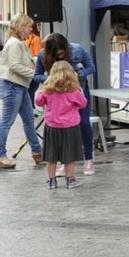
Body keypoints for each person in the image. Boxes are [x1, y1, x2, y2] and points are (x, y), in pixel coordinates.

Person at [34, 34, 96, 176]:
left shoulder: (77, 50)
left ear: (66, 47)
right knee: (61, 129)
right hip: (55, 95)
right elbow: (36, 76)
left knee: (84, 124)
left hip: (75, 90)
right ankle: (64, 162)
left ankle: (88, 159)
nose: (60, 56)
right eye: (56, 54)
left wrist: (78, 74)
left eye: (62, 53)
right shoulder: (42, 55)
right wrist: (51, 79)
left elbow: (91, 67)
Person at [35, 61, 87, 189]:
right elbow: (83, 104)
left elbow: (38, 102)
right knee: (69, 155)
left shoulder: (48, 91)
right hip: (70, 127)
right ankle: (70, 180)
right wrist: (80, 90)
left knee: (51, 156)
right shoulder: (74, 91)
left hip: (51, 127)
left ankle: (52, 181)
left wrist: (44, 87)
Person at [0, 14, 43, 169]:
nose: (30, 29)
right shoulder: (15, 44)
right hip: (12, 85)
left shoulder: (18, 43)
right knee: (6, 122)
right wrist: (36, 75)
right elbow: (14, 65)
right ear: (20, 27)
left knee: (29, 119)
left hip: (18, 85)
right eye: (28, 26)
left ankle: (37, 151)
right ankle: (1, 155)